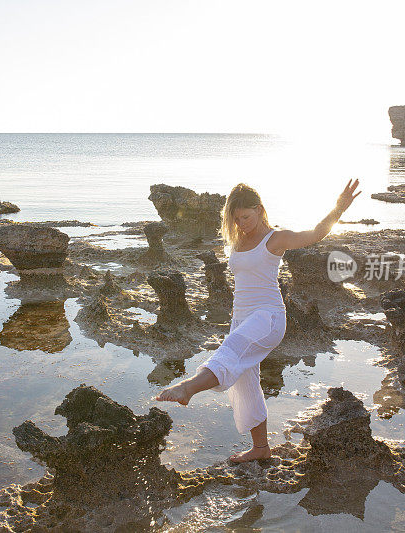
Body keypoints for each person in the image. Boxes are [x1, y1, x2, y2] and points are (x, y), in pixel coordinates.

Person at [155, 179, 361, 463]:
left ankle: (188, 388)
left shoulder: (275, 239)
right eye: (236, 218)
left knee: (227, 352)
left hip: (268, 317)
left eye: (247, 217)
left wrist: (339, 208)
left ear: (260, 210)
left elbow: (315, 234)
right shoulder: (238, 240)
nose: (242, 223)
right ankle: (260, 449)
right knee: (245, 383)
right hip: (241, 319)